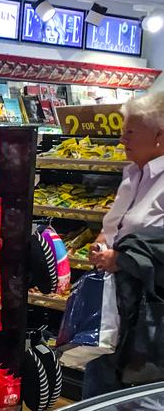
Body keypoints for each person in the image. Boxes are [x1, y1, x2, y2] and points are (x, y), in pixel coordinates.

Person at [84, 92, 164, 398]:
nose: (121, 139)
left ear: (159, 134)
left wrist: (123, 259)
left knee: (138, 395)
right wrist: (102, 244)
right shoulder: (132, 174)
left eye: (130, 132)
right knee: (99, 383)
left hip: (147, 315)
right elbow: (115, 226)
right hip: (111, 305)